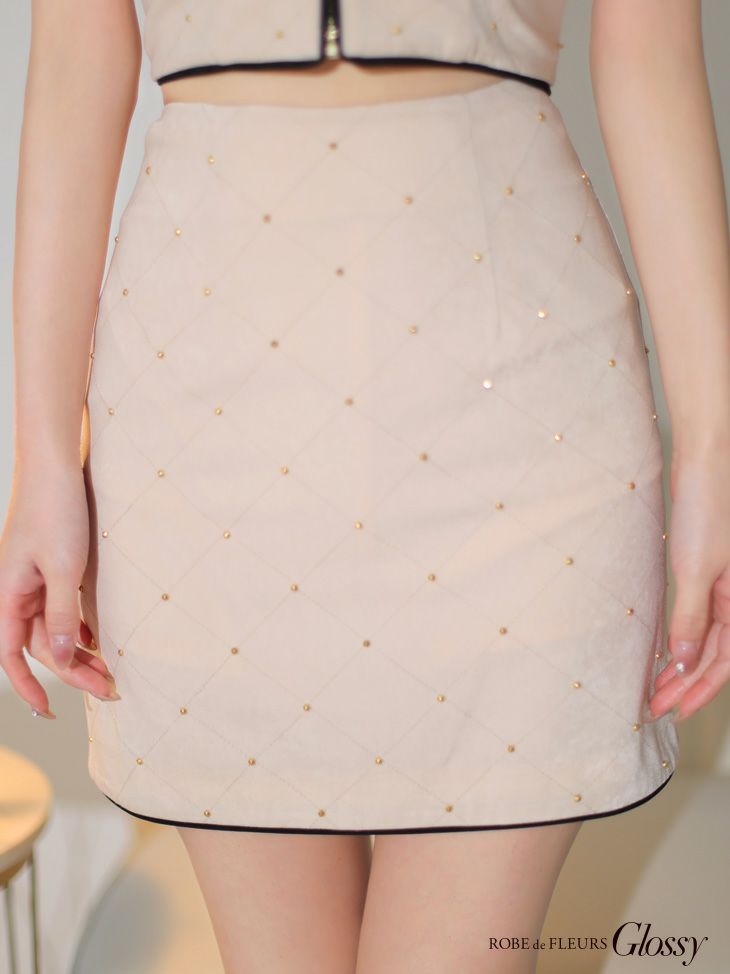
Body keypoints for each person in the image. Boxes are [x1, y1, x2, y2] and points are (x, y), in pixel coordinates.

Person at [2, 2, 729, 972]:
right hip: (202, 424)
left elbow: (651, 55)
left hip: (521, 417)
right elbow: (72, 63)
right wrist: (44, 458)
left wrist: (715, 451)